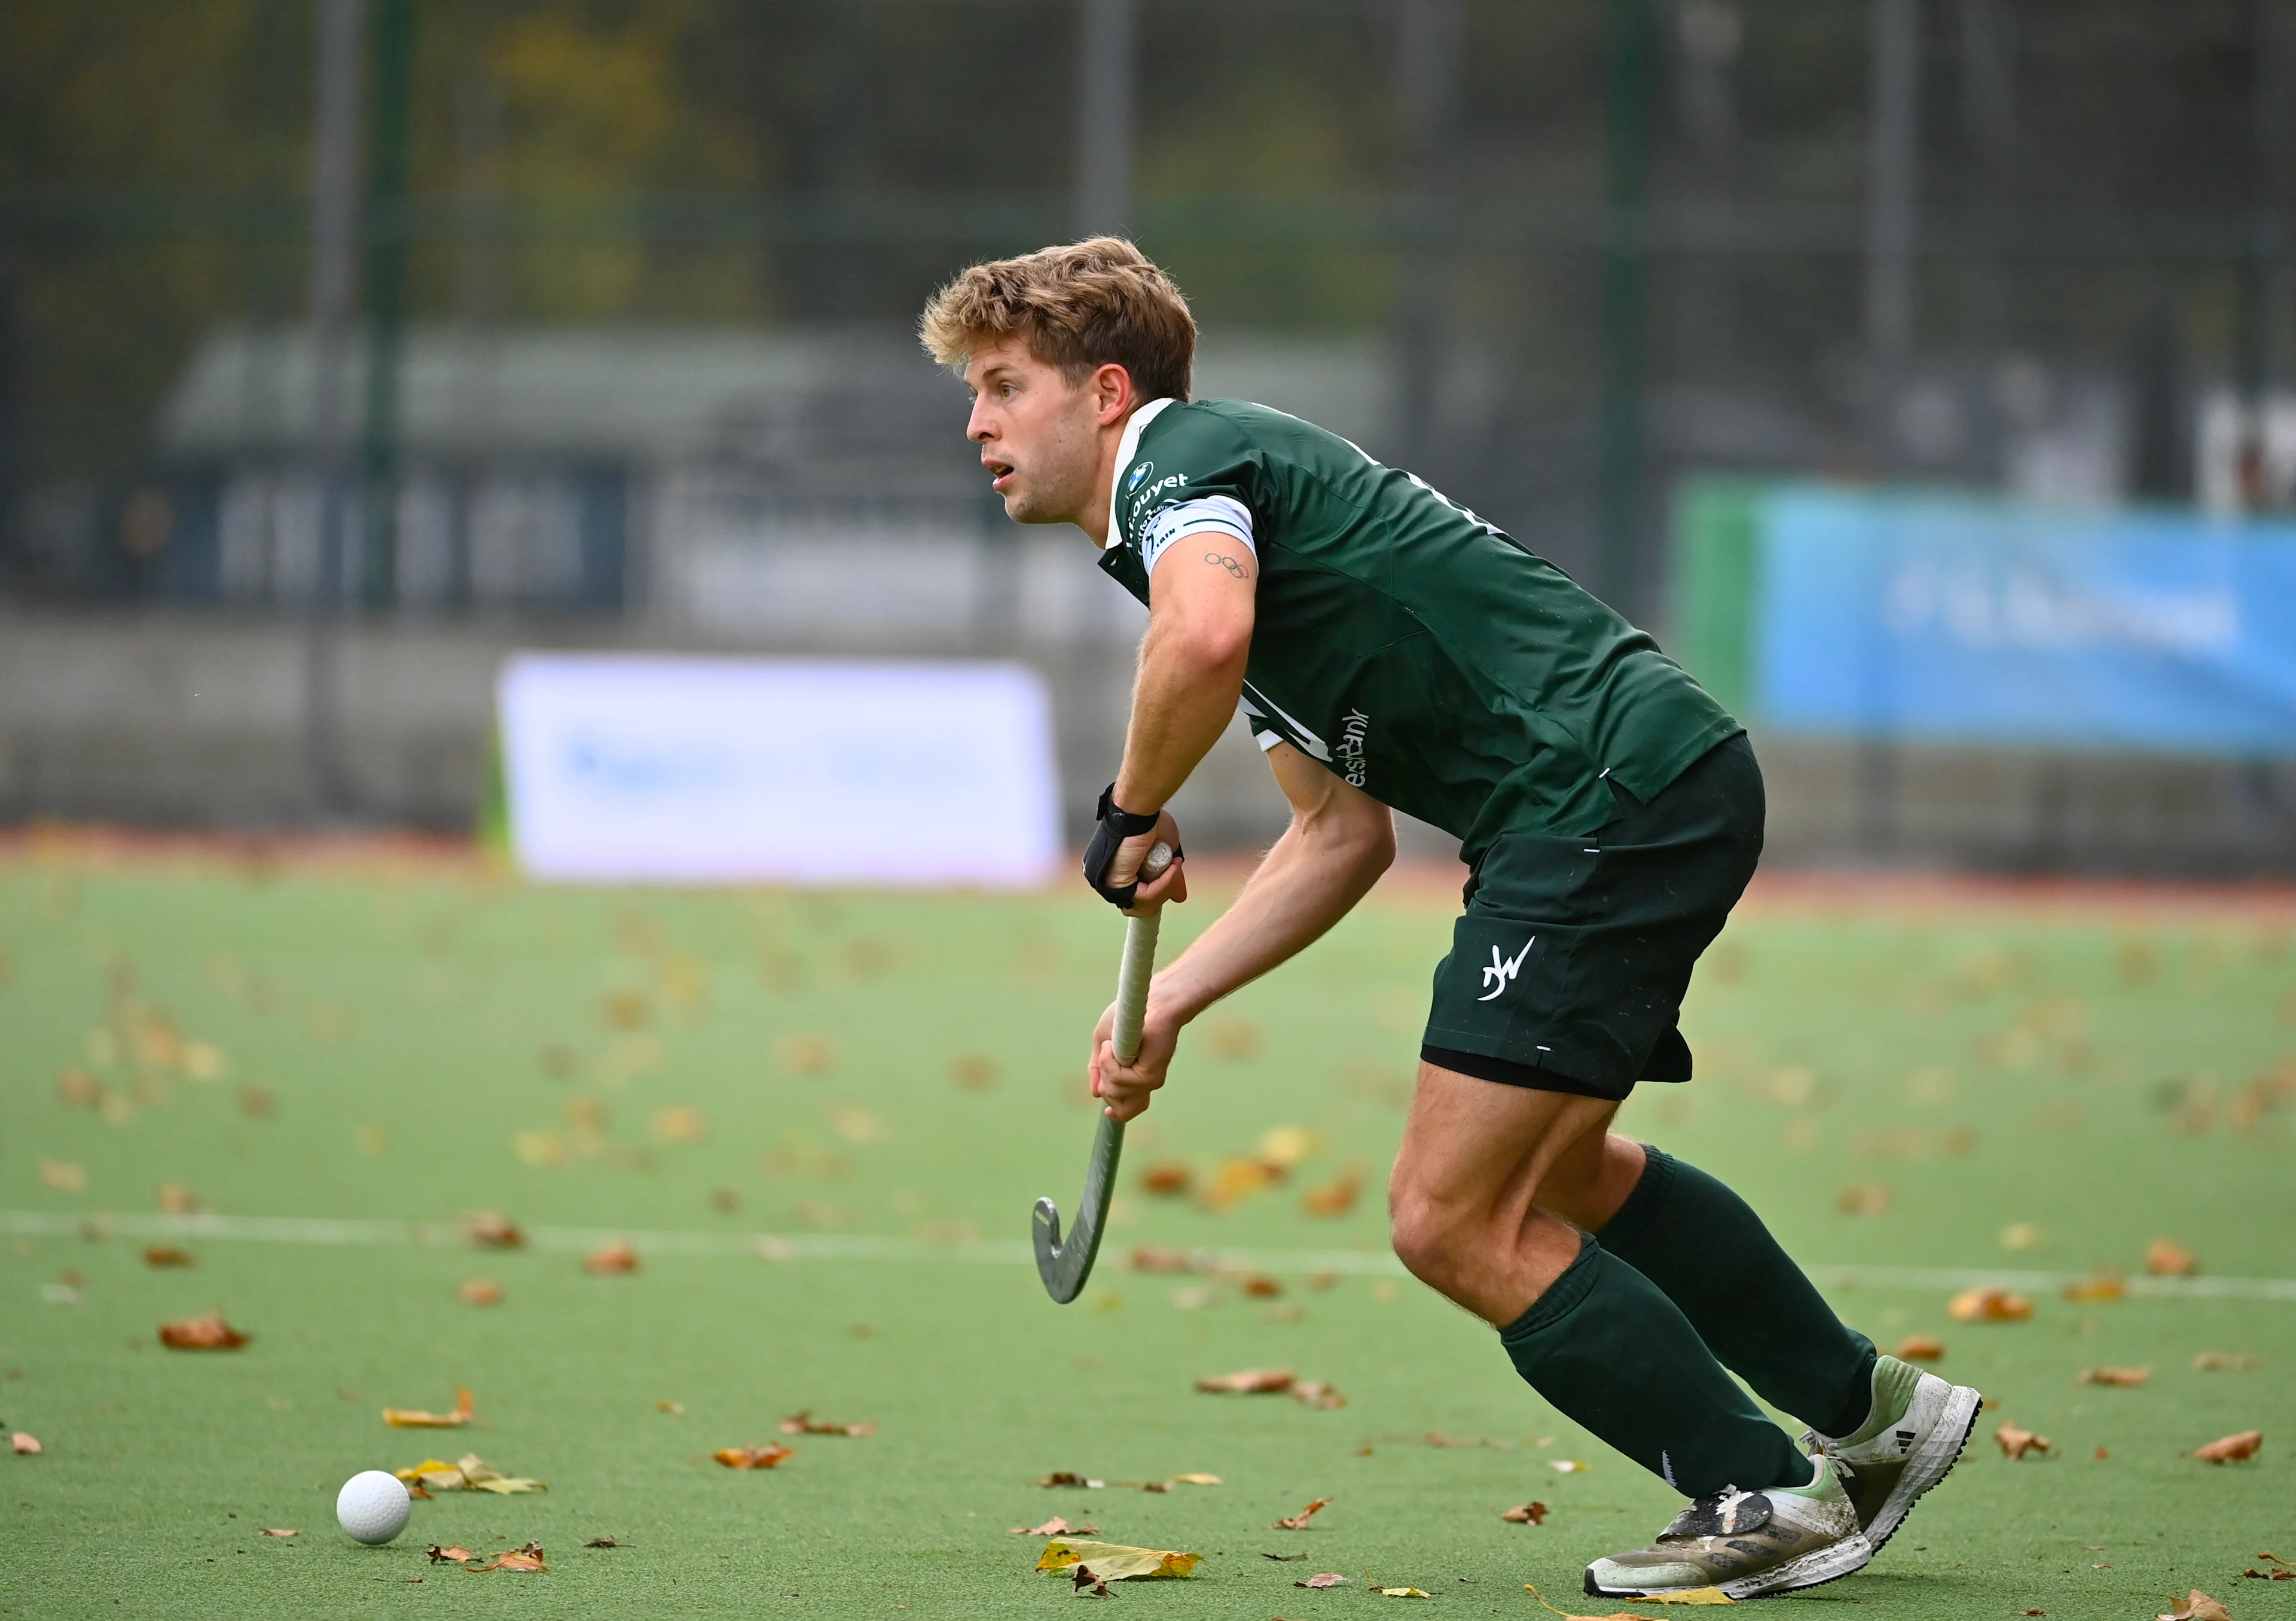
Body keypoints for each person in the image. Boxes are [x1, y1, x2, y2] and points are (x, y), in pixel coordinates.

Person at [918, 237, 1980, 1603]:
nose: (977, 423)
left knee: (1446, 1218)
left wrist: (1127, 808)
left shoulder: (1185, 469)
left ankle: (1757, 1492)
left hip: (1597, 793)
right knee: (1565, 1173)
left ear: (1108, 391)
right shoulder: (1197, 527)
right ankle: (1875, 1412)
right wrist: (1167, 997)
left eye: (1003, 386)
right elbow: (1338, 832)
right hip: (1632, 783)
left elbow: (1202, 644)